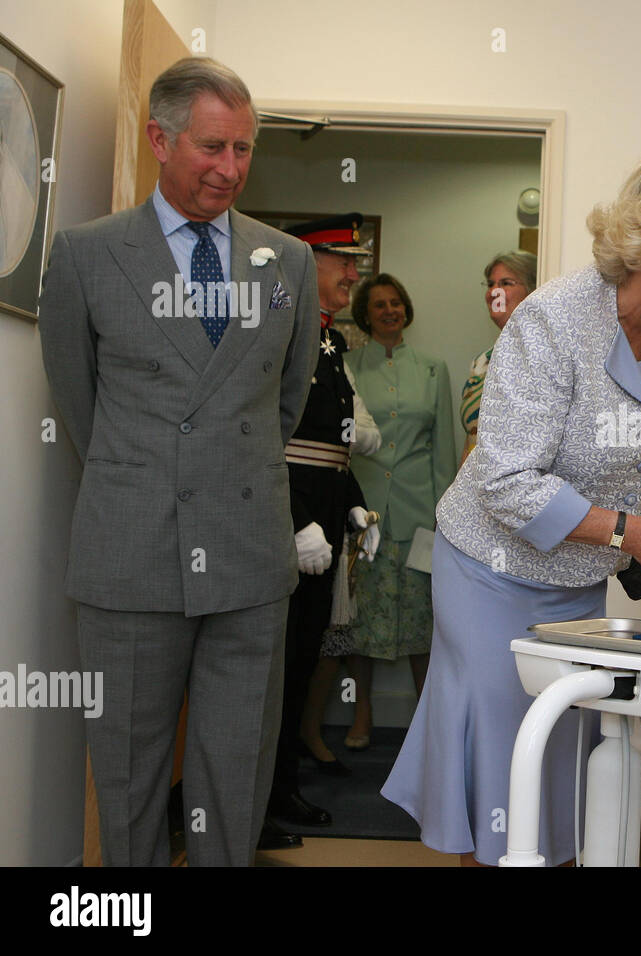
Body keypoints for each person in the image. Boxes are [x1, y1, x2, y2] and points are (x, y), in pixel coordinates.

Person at [382, 141, 641, 866]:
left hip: (576, 581)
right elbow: (505, 480)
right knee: (504, 758)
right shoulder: (552, 319)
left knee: (566, 760)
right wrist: (628, 535)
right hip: (489, 574)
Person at [38, 57, 320, 866]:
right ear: (160, 140)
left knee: (237, 773)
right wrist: (151, 477)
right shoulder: (88, 256)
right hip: (130, 557)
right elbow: (81, 407)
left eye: (243, 149)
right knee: (125, 775)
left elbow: (282, 405)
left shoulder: (286, 263)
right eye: (211, 147)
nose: (230, 169)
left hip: (250, 560)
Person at [263, 213, 380, 840]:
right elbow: (260, 439)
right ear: (306, 262)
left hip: (322, 513)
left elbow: (331, 442)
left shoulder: (329, 338)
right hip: (289, 524)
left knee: (300, 660)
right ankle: (258, 804)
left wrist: (352, 503)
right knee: (274, 668)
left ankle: (281, 791)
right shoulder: (280, 329)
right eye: (344, 261)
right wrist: (294, 520)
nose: (354, 273)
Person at [329, 272, 456, 751]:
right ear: (366, 313)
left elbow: (443, 448)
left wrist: (443, 517)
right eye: (378, 304)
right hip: (365, 516)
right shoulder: (347, 365)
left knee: (423, 622)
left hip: (419, 513)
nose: (389, 310)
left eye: (396, 303)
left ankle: (426, 721)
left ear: (406, 310)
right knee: (362, 623)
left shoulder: (432, 368)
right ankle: (362, 713)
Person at [459, 251, 538, 466]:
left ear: (532, 291)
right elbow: (471, 440)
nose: (494, 292)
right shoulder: (481, 363)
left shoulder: (542, 357)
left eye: (505, 283)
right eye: (490, 284)